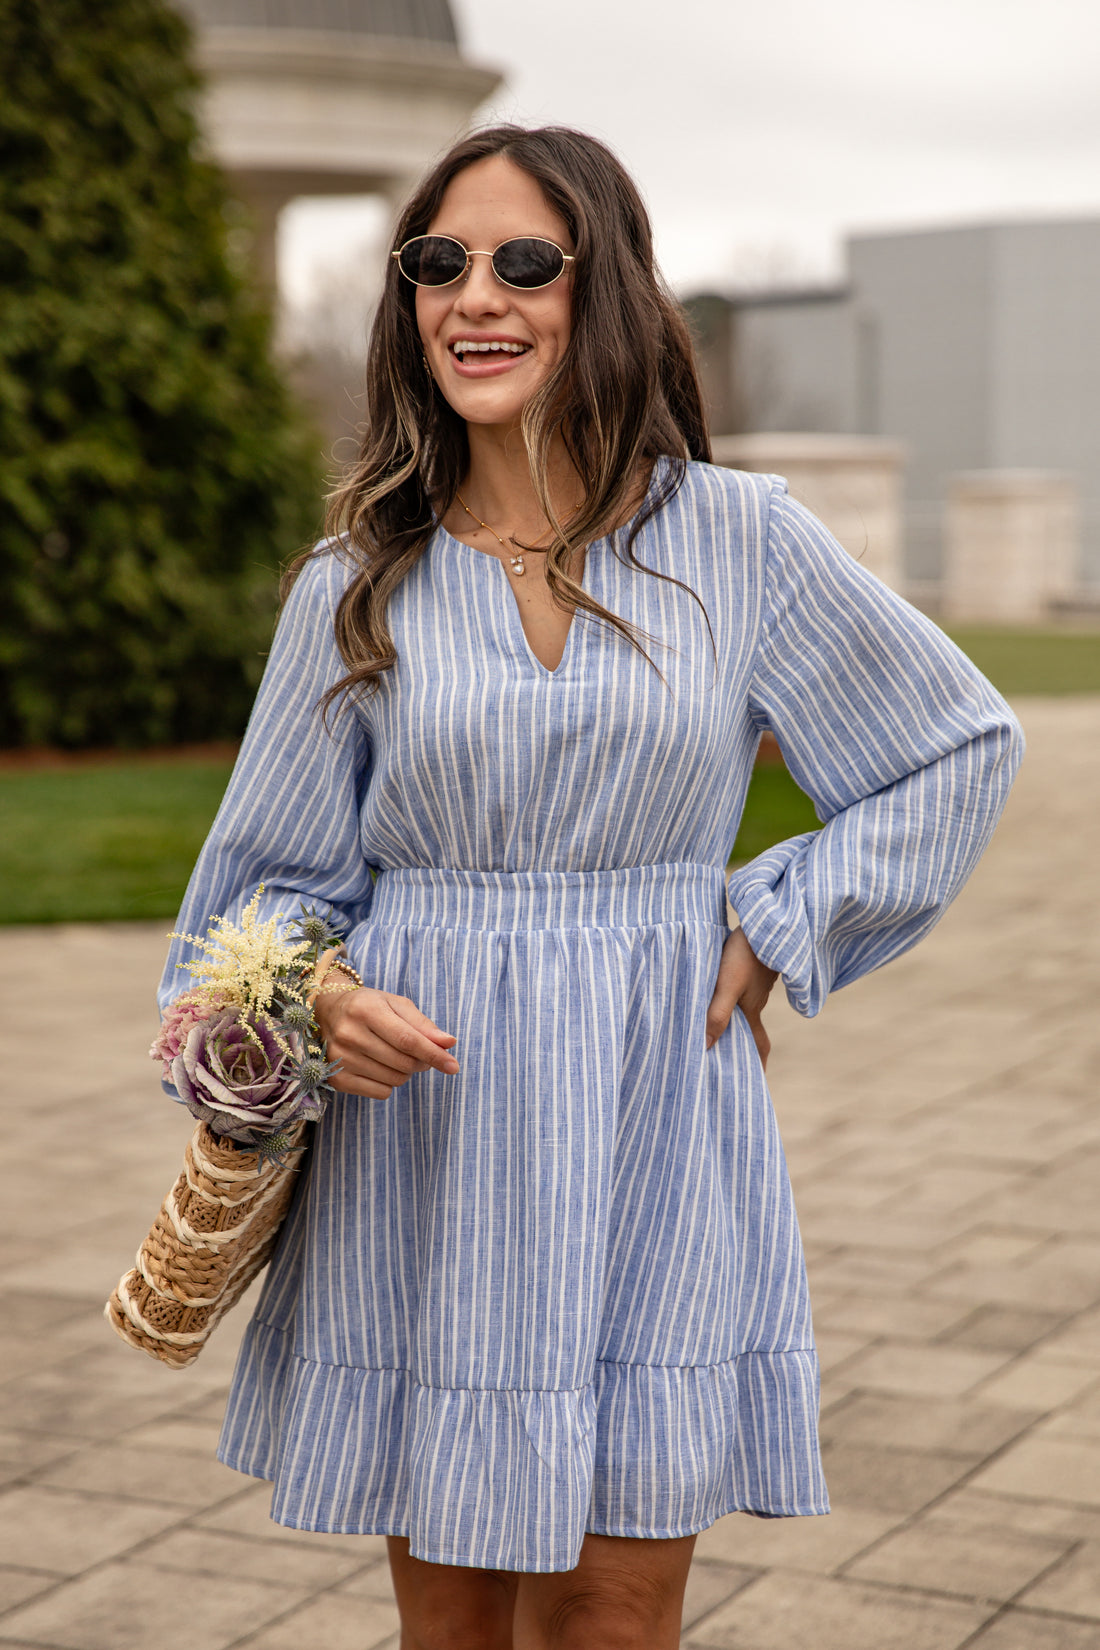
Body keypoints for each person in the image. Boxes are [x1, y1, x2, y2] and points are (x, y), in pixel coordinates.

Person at [158, 125, 1024, 1648]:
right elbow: (254, 896)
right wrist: (325, 993)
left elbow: (955, 745)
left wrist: (776, 919)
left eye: (523, 261)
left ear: (602, 286)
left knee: (616, 1618)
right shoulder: (356, 580)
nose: (473, 296)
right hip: (429, 1155)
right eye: (439, 262)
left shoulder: (739, 541)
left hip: (656, 1123)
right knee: (454, 1629)